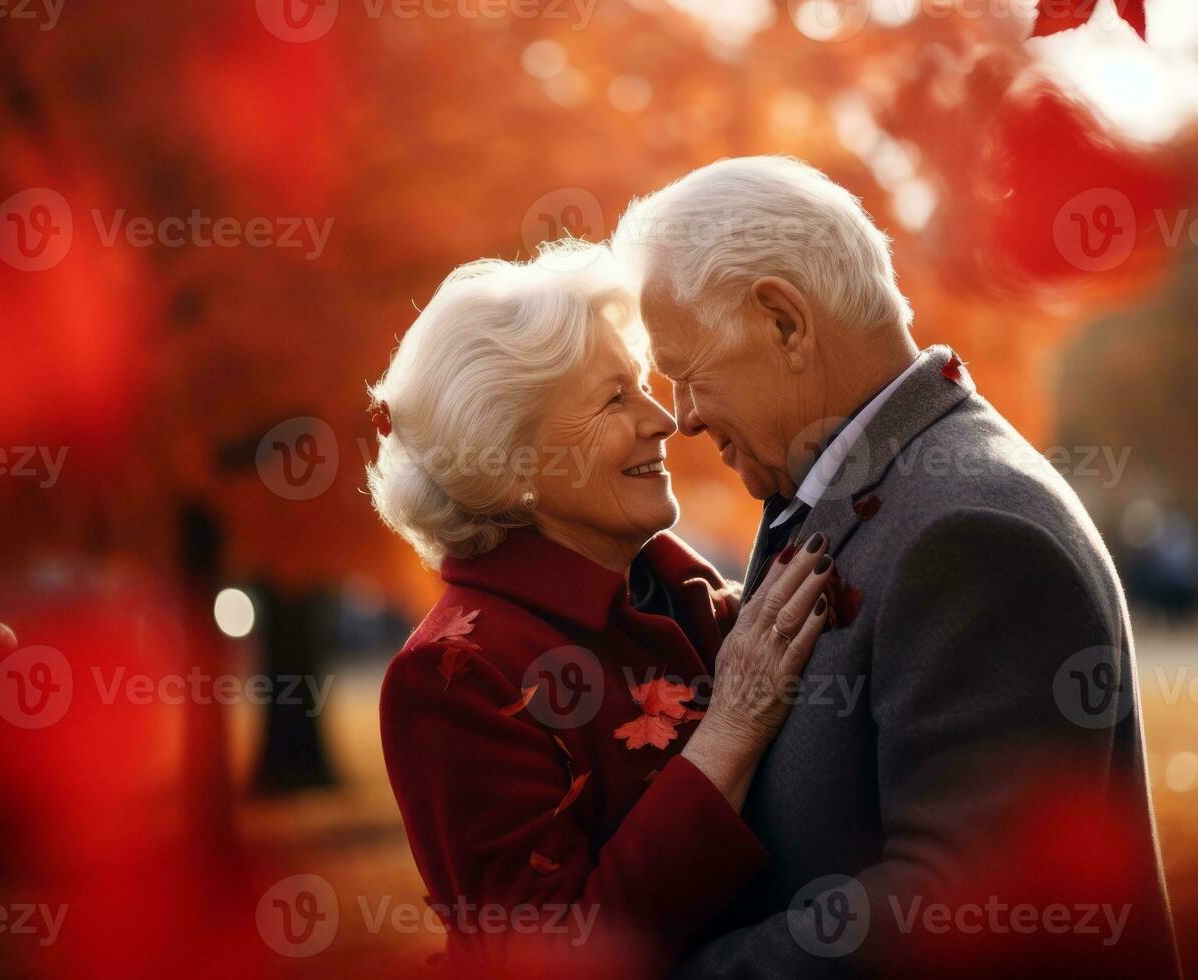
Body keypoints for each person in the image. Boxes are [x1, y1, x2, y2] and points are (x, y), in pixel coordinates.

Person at [612, 155, 1180, 977]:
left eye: (687, 375)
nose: (684, 419)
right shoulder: (862, 492)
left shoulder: (970, 530)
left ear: (783, 323)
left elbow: (957, 909)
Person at [367, 243, 835, 977]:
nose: (663, 419)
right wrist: (733, 727)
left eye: (642, 386)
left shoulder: (695, 600)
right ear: (512, 460)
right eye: (614, 398)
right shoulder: (456, 675)